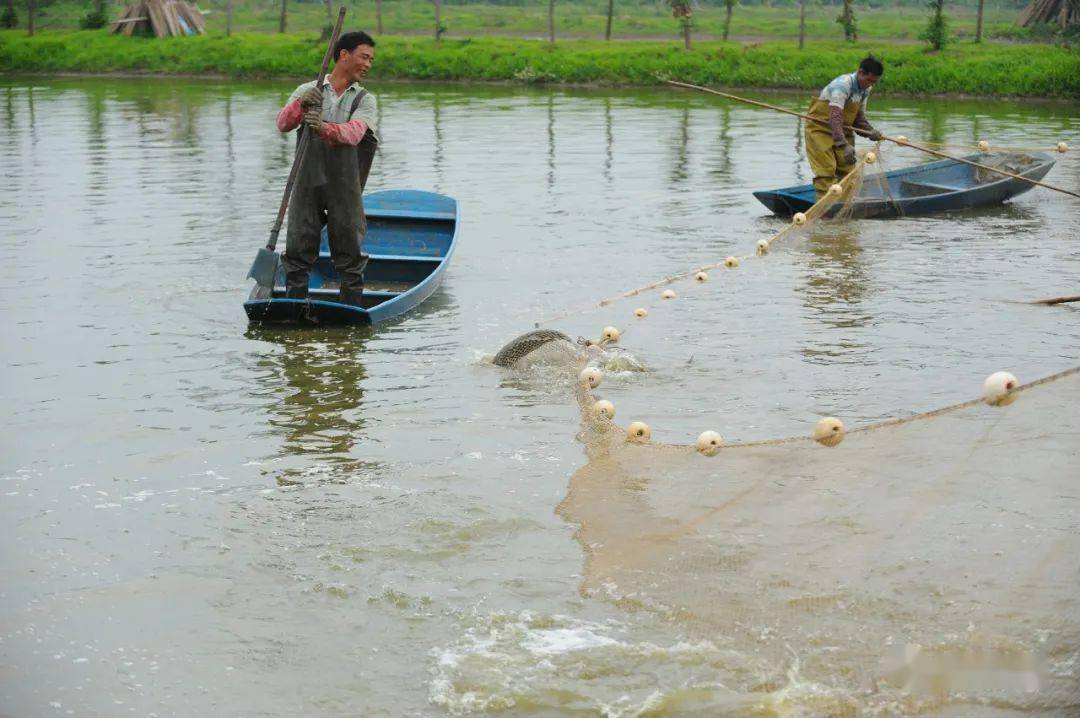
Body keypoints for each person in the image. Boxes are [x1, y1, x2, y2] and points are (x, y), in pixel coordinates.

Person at [275, 31, 380, 306]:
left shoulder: (365, 100)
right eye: (364, 57)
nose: (368, 64)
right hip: (307, 182)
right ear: (343, 55)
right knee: (298, 247)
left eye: (371, 59)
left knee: (349, 251)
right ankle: (295, 309)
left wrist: (323, 128)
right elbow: (283, 124)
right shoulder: (308, 90)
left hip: (345, 185)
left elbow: (354, 134)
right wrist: (301, 105)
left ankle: (350, 311)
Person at [805, 56, 884, 200]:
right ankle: (825, 210)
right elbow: (835, 118)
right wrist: (843, 145)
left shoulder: (865, 89)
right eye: (868, 80)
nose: (870, 84)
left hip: (843, 130)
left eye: (874, 82)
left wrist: (870, 131)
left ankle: (842, 208)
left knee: (847, 171)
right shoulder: (842, 85)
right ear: (860, 72)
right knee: (826, 171)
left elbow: (858, 119)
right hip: (820, 130)